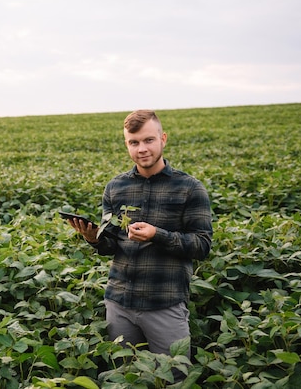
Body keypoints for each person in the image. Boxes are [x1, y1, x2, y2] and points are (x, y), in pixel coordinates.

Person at [67, 110, 212, 373]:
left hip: (164, 303)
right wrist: (94, 238)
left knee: (173, 377)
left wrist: (158, 235)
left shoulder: (190, 188)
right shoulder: (115, 187)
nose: (141, 149)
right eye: (134, 143)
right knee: (125, 376)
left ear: (163, 139)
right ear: (127, 144)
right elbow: (111, 245)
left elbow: (202, 245)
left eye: (148, 140)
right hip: (119, 303)